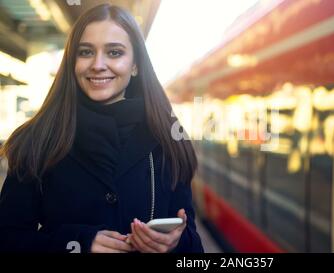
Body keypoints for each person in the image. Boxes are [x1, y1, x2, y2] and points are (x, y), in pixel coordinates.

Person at [0, 4, 203, 253]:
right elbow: (7, 239)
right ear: (72, 62)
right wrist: (76, 245)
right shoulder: (36, 141)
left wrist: (175, 243)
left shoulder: (167, 141)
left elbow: (193, 245)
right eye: (85, 52)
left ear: (135, 65)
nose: (98, 64)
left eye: (114, 53)